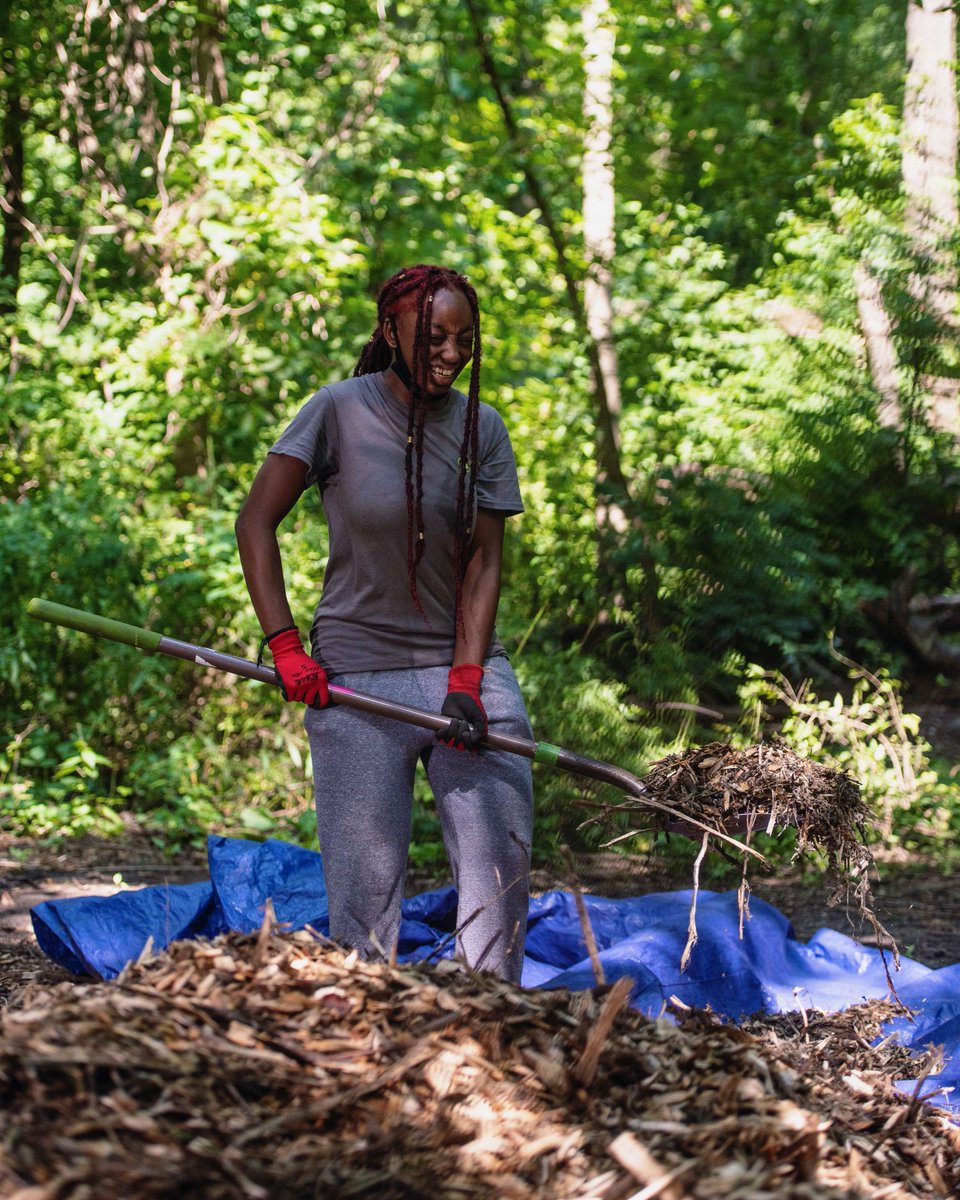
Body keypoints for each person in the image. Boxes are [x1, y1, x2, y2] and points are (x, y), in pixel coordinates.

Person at [235, 264, 534, 982]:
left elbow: (485, 563)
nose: (452, 354)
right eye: (434, 336)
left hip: (466, 680)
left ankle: (489, 1039)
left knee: (499, 888)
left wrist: (466, 680)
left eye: (466, 340)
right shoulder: (337, 410)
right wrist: (285, 647)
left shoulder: (480, 426)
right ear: (391, 330)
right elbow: (255, 522)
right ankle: (369, 1051)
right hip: (356, 681)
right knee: (363, 917)